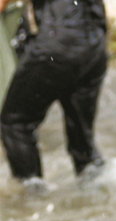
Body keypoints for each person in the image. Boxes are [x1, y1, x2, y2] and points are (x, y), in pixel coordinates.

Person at [0, 0, 107, 192]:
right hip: (95, 47)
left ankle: (33, 195)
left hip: (55, 46)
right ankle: (99, 189)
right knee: (82, 138)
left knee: (15, 122)